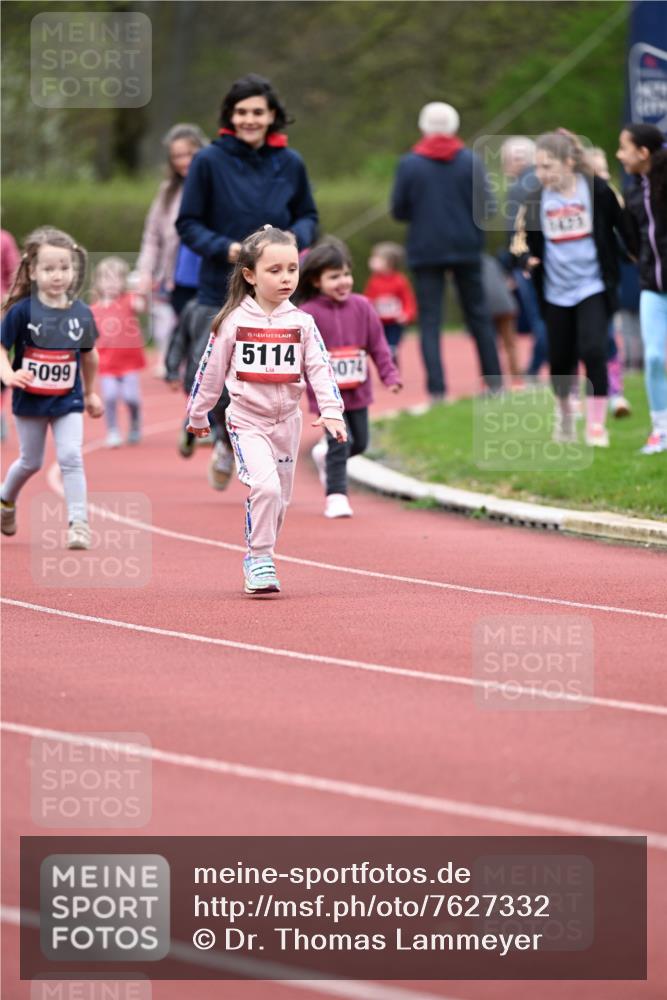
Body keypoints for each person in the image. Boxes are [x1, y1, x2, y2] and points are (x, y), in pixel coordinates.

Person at [177, 73, 319, 490]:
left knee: (266, 374)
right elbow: (187, 222)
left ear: (272, 115)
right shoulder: (208, 161)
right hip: (218, 284)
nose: (249, 119)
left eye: (258, 111)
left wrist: (295, 240)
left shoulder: (290, 163)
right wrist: (228, 249)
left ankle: (255, 449)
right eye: (241, 112)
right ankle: (225, 438)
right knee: (205, 379)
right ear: (229, 116)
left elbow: (309, 215)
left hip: (272, 289)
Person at [185, 226, 345, 595]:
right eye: (274, 271)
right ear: (250, 275)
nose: (286, 278)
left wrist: (332, 409)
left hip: (286, 423)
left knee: (280, 500)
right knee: (266, 488)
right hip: (246, 421)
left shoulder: (302, 323)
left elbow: (320, 367)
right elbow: (209, 371)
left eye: (292, 269)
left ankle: (263, 550)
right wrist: (198, 414)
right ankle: (259, 558)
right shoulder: (232, 323)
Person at [512, 131, 632, 447]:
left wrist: (637, 254)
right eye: (538, 168)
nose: (542, 174)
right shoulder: (536, 199)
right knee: (560, 360)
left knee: (593, 350)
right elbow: (518, 238)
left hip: (592, 285)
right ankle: (565, 413)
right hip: (554, 291)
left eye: (548, 166)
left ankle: (596, 427)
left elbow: (626, 225)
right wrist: (527, 258)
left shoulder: (598, 191)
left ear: (569, 163)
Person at [391, 101, 502, 401]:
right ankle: (494, 385)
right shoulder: (472, 161)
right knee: (479, 316)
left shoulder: (410, 164)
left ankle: (437, 391)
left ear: (423, 127)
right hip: (467, 247)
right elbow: (489, 207)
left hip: (426, 249)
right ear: (454, 126)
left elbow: (398, 210)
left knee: (430, 321)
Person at [0, 226, 103, 548]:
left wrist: (89, 393)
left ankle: (79, 524)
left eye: (64, 268)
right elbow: (2, 349)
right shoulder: (20, 312)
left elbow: (90, 357)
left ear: (73, 269)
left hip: (67, 401)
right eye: (48, 269)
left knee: (71, 456)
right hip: (29, 400)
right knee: (30, 461)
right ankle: (5, 500)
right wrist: (7, 376)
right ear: (32, 271)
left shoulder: (81, 313)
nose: (58, 276)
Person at [298, 239, 401, 518]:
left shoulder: (363, 306)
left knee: (360, 443)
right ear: (316, 281)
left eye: (345, 274)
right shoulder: (307, 314)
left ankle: (324, 457)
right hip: (327, 395)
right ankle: (336, 496)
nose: (343, 281)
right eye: (334, 277)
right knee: (339, 443)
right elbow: (298, 353)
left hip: (357, 392)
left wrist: (390, 375)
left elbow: (378, 345)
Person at [136, 123, 208, 376]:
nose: (184, 161)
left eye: (190, 153)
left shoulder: (217, 185)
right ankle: (187, 382)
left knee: (207, 333)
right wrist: (146, 271)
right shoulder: (168, 192)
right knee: (184, 327)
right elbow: (152, 235)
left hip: (211, 271)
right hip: (178, 275)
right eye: (177, 156)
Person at [617, 123, 667, 454]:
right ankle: (661, 431)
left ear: (643, 152)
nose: (620, 154)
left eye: (624, 147)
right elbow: (633, 241)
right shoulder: (634, 192)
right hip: (652, 287)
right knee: (652, 357)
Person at [585, 146, 632, 419]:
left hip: (607, 280)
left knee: (607, 339)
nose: (603, 177)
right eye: (597, 172)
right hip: (579, 284)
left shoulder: (612, 199)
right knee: (587, 343)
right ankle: (591, 394)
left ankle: (615, 393)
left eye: (605, 171)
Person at [499, 136, 548, 382]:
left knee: (540, 316)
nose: (506, 164)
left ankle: (535, 368)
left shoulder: (519, 187)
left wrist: (511, 265)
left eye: (509, 158)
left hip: (529, 262)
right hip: (548, 258)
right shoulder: (545, 179)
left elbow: (514, 232)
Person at [90, 256, 147, 448]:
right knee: (110, 397)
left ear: (124, 282)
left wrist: (139, 289)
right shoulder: (93, 308)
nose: (111, 284)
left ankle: (135, 423)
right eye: (106, 279)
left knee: (131, 398)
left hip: (129, 361)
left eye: (116, 279)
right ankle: (113, 430)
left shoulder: (129, 300)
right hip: (106, 362)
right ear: (97, 282)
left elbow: (140, 306)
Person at [363, 241, 417, 365]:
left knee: (392, 347)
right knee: (381, 347)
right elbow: (367, 300)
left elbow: (408, 299)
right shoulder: (374, 281)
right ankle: (387, 367)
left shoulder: (400, 280)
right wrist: (368, 315)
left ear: (389, 262)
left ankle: (393, 367)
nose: (371, 261)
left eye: (376, 258)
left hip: (395, 323)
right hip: (379, 322)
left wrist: (407, 314)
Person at [481, 253, 523, 388]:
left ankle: (492, 378)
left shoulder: (468, 266)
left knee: (488, 344)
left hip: (488, 307)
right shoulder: (492, 261)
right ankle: (516, 376)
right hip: (507, 305)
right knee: (510, 344)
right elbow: (508, 282)